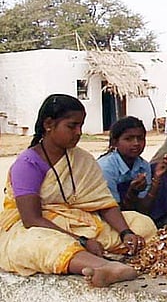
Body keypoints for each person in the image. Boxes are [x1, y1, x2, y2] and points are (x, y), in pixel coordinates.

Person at [0, 95, 156, 286]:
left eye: (81, 126)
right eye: (72, 126)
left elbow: (103, 203)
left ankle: (102, 258)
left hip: (80, 222)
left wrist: (126, 233)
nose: (78, 132)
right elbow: (32, 219)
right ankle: (107, 267)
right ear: (49, 124)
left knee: (141, 223)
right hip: (39, 228)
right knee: (39, 244)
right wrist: (82, 241)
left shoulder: (82, 159)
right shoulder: (28, 163)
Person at [98, 116, 167, 227]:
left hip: (132, 216)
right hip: (109, 218)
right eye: (129, 139)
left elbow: (144, 209)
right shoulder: (106, 168)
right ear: (115, 142)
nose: (136, 143)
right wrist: (132, 193)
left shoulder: (143, 165)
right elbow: (112, 210)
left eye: (140, 138)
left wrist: (157, 178)